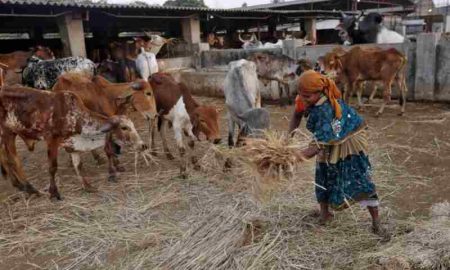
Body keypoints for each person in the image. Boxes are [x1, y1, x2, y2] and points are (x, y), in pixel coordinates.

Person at [289, 70, 381, 234]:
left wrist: (290, 158)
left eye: (308, 97)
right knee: (322, 174)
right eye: (301, 95)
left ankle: (376, 222)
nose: (303, 99)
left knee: (359, 178)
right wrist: (288, 139)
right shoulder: (305, 96)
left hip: (349, 141)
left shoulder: (327, 110)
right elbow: (297, 114)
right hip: (328, 139)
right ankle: (325, 215)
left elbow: (315, 148)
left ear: (320, 92)